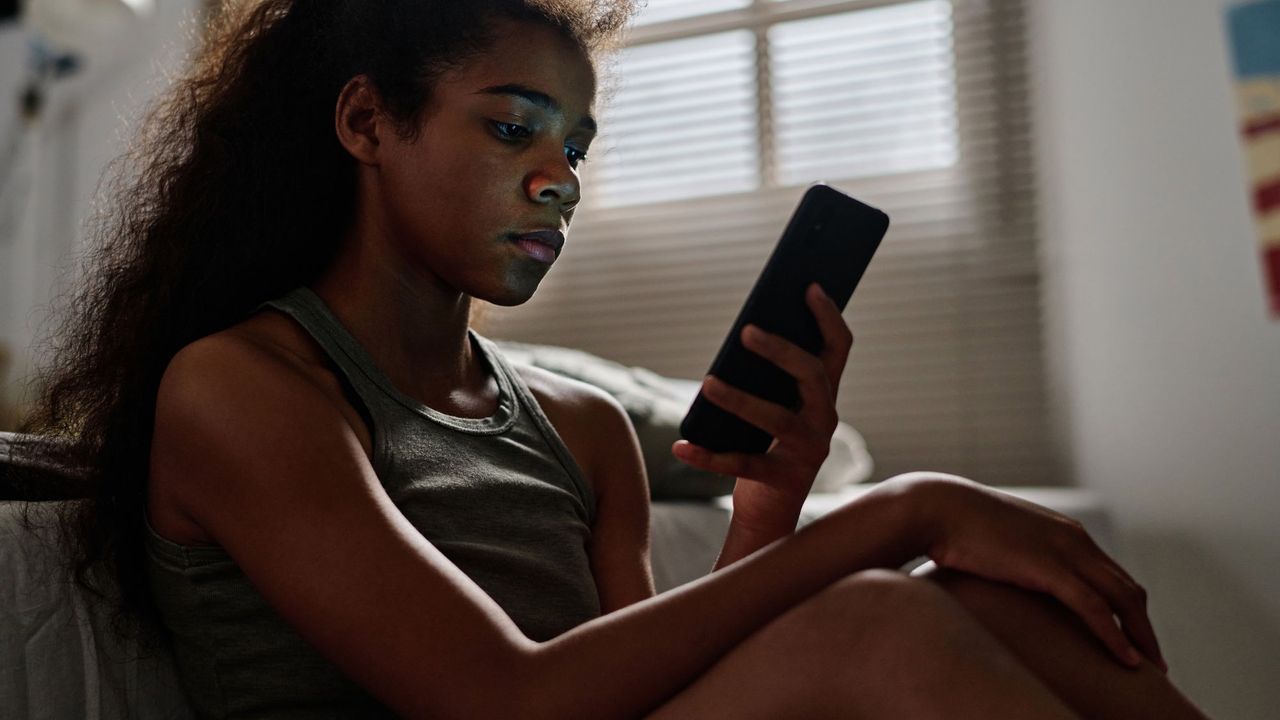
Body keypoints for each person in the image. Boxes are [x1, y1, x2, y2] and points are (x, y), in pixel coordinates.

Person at [18, 0, 1210, 717]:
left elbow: (638, 687)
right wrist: (899, 512)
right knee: (877, 622)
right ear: (365, 123)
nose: (559, 176)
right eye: (510, 127)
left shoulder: (581, 427)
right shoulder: (242, 387)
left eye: (576, 144)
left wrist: (766, 517)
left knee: (998, 602)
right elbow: (508, 701)